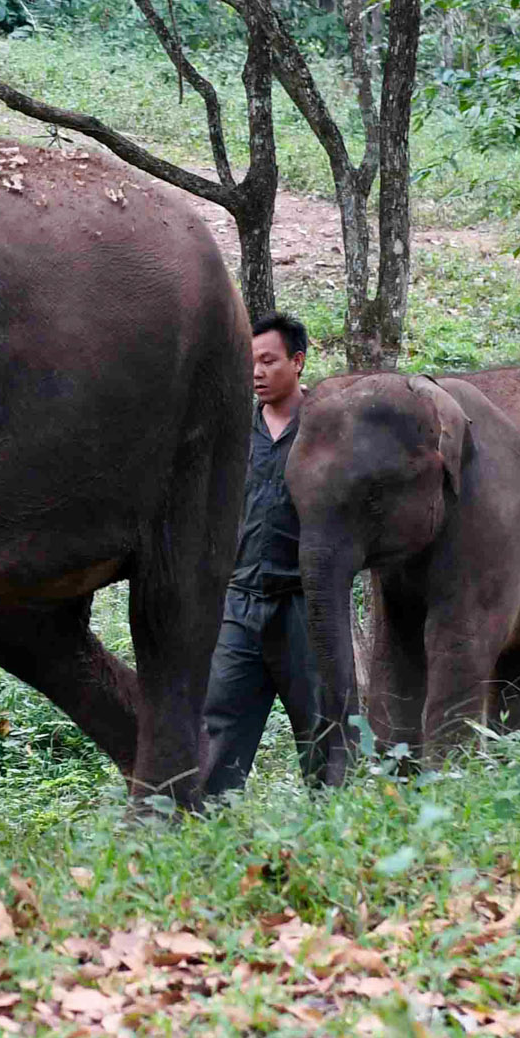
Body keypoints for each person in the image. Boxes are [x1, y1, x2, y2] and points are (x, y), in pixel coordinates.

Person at [200, 312, 347, 800]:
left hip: (304, 606)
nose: (257, 372)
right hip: (239, 603)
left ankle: (332, 827)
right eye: (251, 362)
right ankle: (207, 830)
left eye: (268, 361)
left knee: (322, 729)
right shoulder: (236, 433)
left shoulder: (325, 431)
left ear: (298, 362)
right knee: (219, 722)